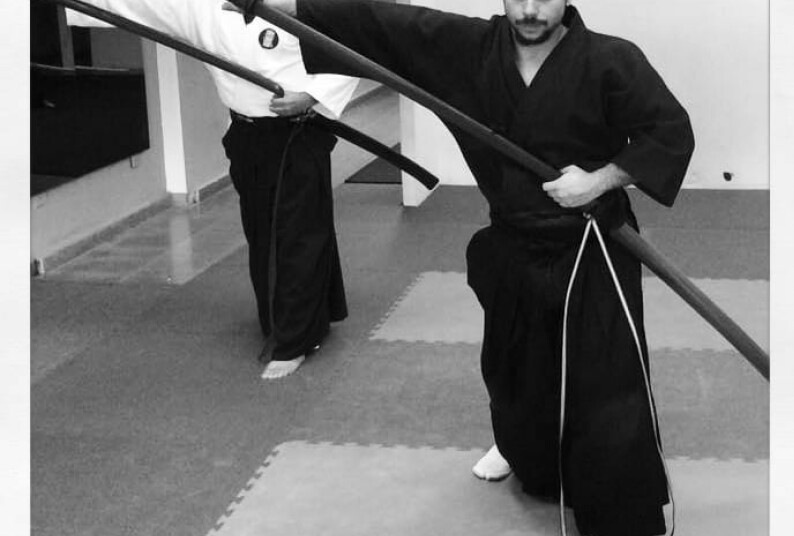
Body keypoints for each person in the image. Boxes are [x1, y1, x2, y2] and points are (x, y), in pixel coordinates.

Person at [245, 0, 694, 534]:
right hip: (514, 243)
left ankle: (616, 517)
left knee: (607, 388)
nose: (530, 9)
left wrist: (598, 180)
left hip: (592, 243)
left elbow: (668, 133)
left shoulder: (612, 60)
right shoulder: (468, 51)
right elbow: (380, 24)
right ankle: (527, 455)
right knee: (515, 372)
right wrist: (270, 4)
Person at [67, 0, 359, 380]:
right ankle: (313, 315)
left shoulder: (301, 4)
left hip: (300, 133)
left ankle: (294, 341)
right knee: (263, 232)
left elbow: (352, 44)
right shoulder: (203, 8)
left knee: (296, 233)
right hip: (246, 135)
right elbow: (139, 4)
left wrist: (311, 96)